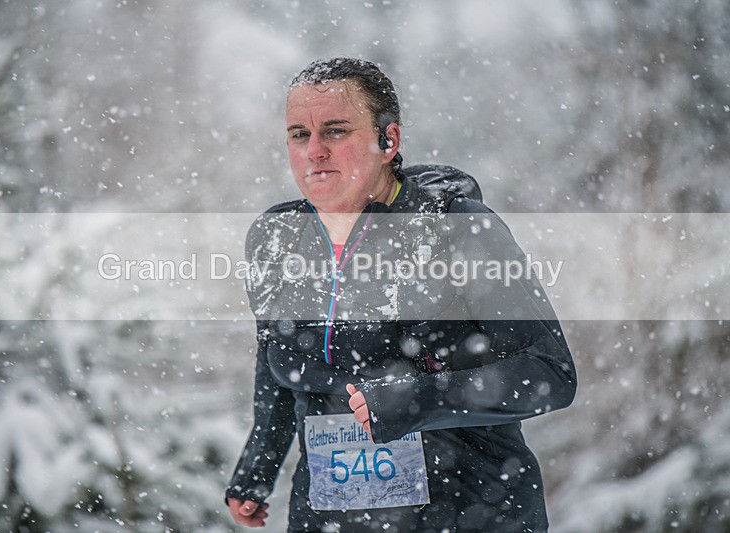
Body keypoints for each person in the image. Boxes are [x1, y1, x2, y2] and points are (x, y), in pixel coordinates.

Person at [225, 57, 577, 532]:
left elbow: (550, 373)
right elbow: (280, 359)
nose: (314, 151)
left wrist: (419, 397)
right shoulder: (277, 238)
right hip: (331, 515)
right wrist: (258, 468)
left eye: (335, 131)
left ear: (388, 140)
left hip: (467, 509)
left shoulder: (455, 228)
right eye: (298, 134)